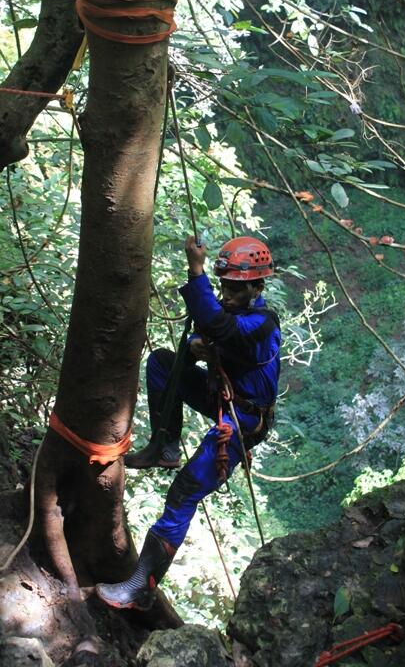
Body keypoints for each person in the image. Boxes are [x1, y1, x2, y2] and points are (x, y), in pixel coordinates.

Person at [96, 234, 281, 610]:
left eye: (235, 288)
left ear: (257, 287)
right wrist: (195, 348)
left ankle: (139, 589)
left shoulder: (262, 323)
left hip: (242, 422)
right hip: (222, 399)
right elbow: (208, 336)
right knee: (164, 363)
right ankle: (165, 445)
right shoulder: (234, 315)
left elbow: (220, 327)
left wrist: (195, 269)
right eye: (224, 287)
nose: (227, 295)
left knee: (184, 493)